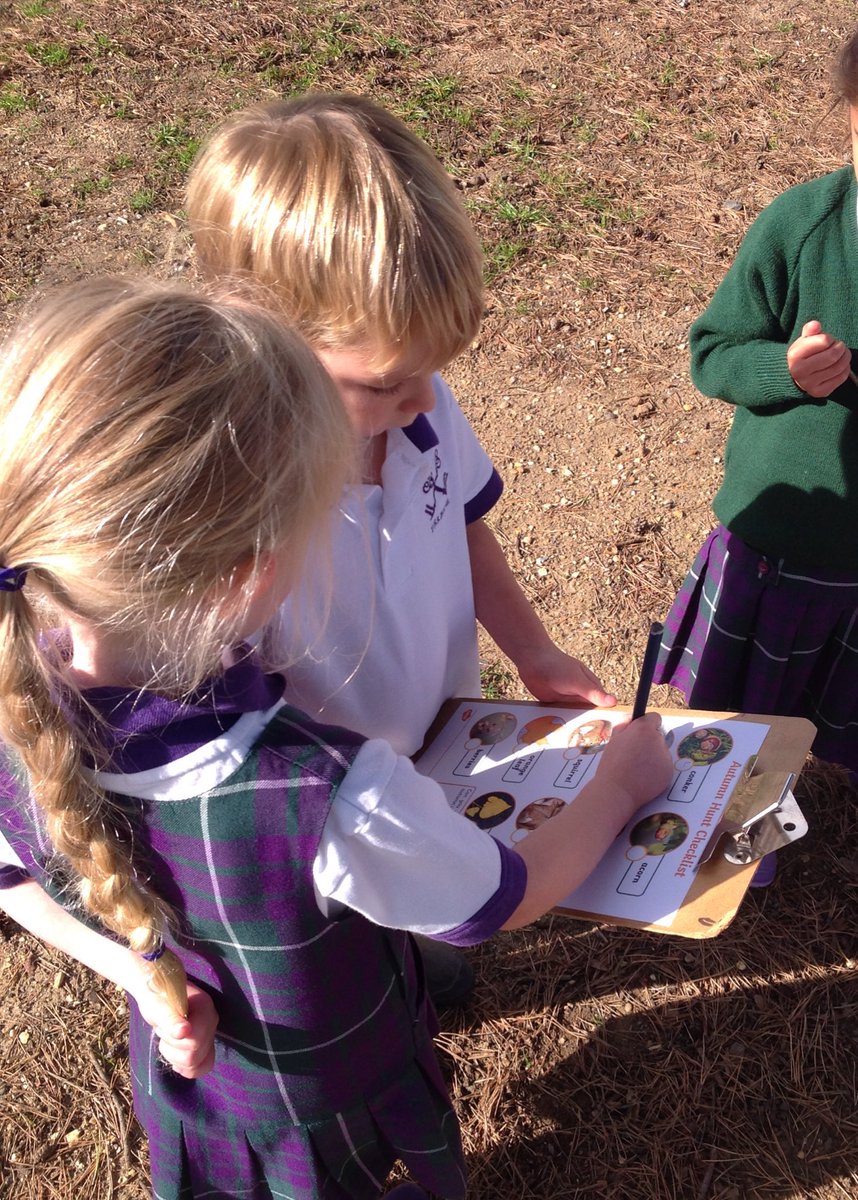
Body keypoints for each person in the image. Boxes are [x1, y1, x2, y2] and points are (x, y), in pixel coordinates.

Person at [0, 277, 673, 1200]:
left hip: (203, 1095)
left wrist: (143, 976)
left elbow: (14, 878)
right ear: (253, 576)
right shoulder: (334, 794)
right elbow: (499, 902)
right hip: (331, 1092)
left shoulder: (17, 703)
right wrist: (620, 789)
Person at [185, 93, 618, 1004]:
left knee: (438, 917)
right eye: (386, 382)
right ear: (263, 343)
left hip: (435, 743)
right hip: (328, 811)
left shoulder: (419, 414)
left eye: (432, 368)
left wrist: (533, 650)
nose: (425, 400)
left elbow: (463, 518)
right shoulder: (234, 514)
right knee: (354, 962)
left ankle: (425, 952)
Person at [654, 27, 858, 784]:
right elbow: (715, 352)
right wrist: (786, 372)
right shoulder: (805, 227)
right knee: (742, 735)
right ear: (850, 118)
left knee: (830, 708)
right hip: (784, 552)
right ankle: (723, 825)